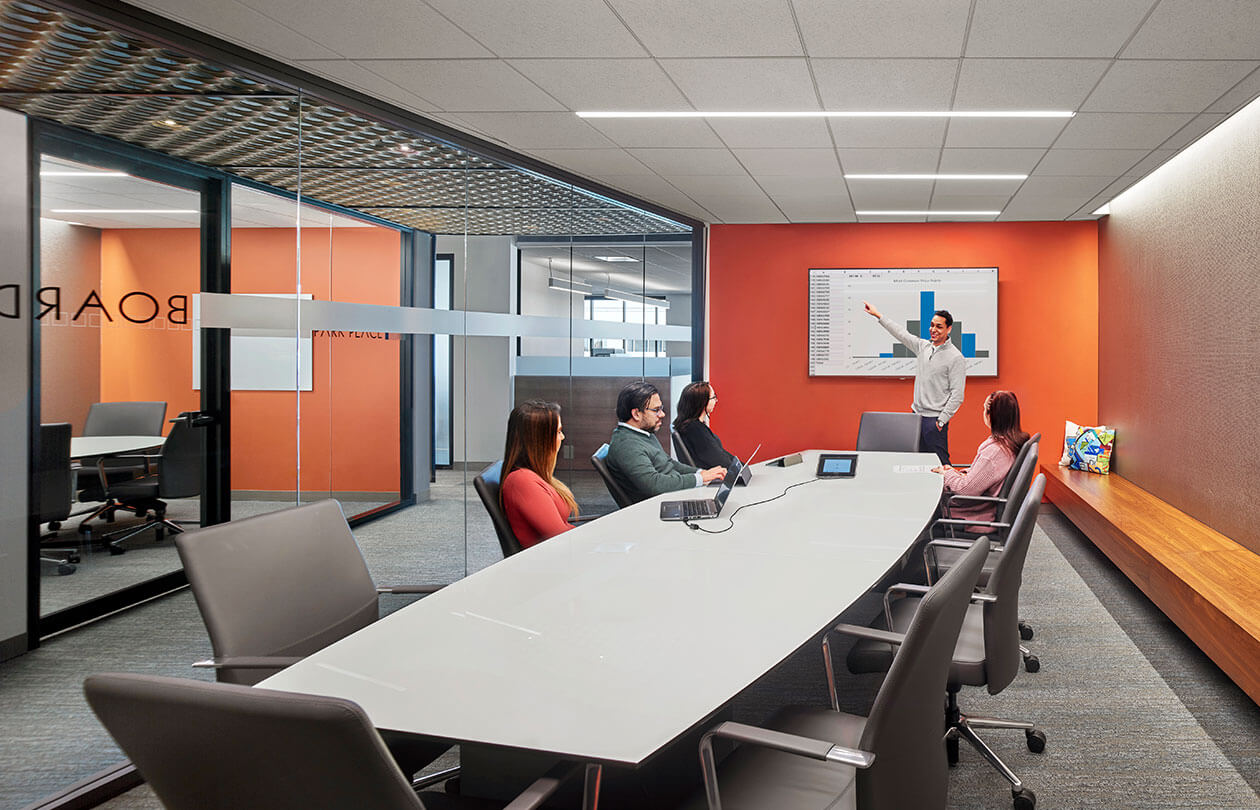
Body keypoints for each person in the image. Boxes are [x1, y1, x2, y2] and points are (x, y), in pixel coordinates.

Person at [863, 300, 966, 464]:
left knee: (940, 463)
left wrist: (941, 421)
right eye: (932, 325)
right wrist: (878, 315)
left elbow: (958, 395)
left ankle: (947, 490)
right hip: (915, 417)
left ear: (949, 329)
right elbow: (901, 333)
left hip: (934, 420)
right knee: (917, 462)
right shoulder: (923, 347)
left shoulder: (956, 358)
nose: (933, 330)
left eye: (939, 326)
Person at [606, 381, 726, 504]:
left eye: (661, 409)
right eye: (656, 410)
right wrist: (700, 478)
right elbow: (655, 485)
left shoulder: (644, 434)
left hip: (672, 496)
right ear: (636, 414)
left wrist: (701, 473)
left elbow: (669, 463)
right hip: (660, 507)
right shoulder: (627, 446)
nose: (662, 414)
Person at [935, 390, 1030, 531]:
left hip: (973, 514)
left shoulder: (994, 452)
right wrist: (958, 473)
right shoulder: (1011, 443)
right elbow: (983, 476)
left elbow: (965, 490)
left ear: (992, 415)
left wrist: (946, 474)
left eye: (984, 408)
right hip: (983, 508)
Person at [499, 400, 578, 549]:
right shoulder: (522, 482)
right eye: (558, 432)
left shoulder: (534, 475)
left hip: (561, 554)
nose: (562, 437)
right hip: (553, 561)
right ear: (540, 440)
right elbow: (560, 537)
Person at [673, 381, 737, 469]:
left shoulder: (688, 426)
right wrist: (740, 471)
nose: (716, 400)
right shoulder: (696, 430)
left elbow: (720, 453)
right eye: (713, 397)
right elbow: (719, 460)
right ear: (703, 402)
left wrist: (740, 466)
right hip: (715, 477)